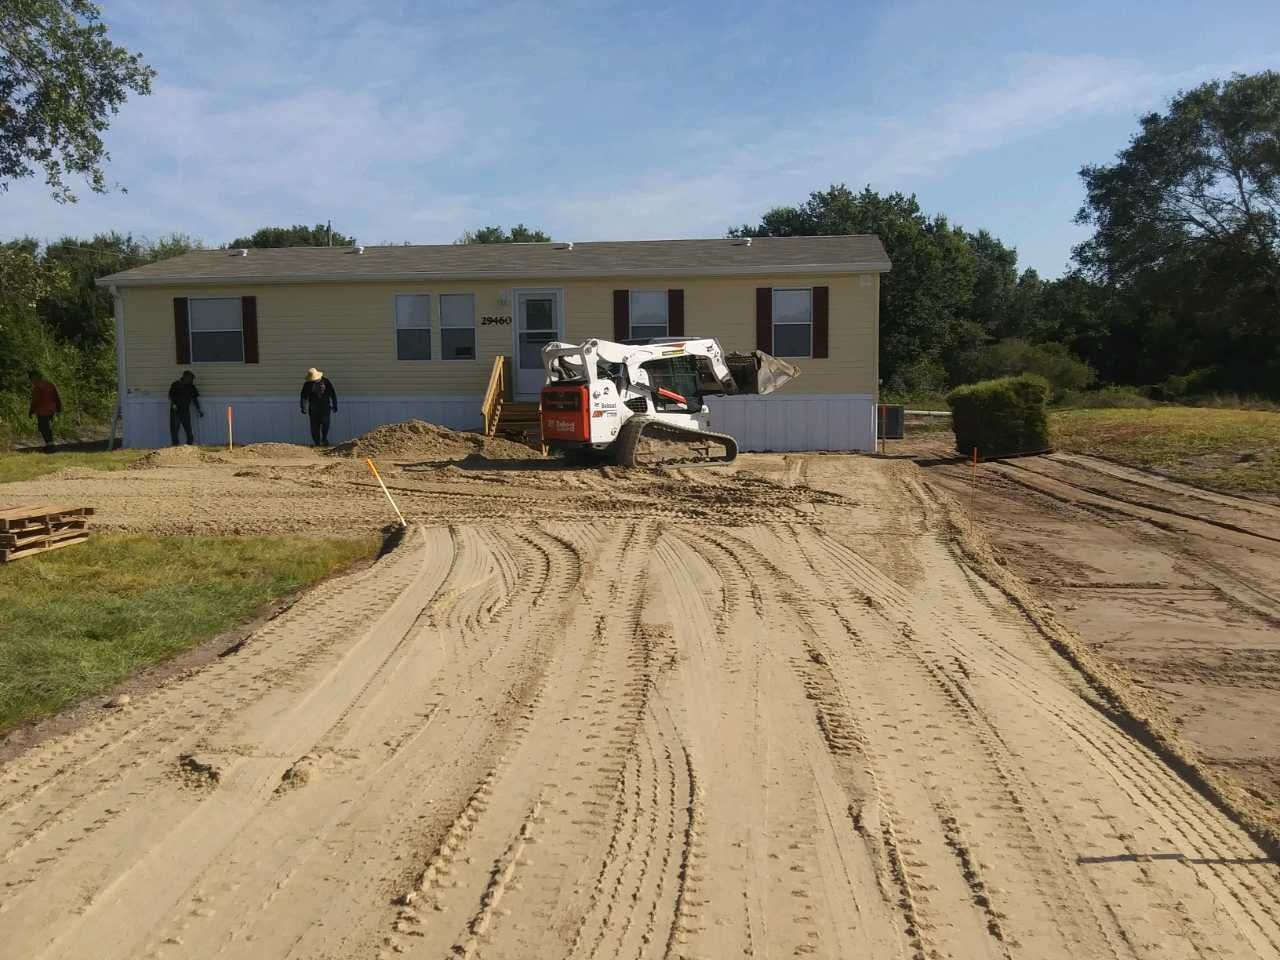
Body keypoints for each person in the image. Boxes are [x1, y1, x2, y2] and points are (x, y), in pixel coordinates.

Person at [300, 367, 338, 446]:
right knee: (314, 427)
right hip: (313, 408)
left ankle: (324, 438)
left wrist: (335, 405)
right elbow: (304, 396)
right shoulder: (307, 384)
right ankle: (317, 443)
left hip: (325, 406)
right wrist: (303, 407)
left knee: (325, 424)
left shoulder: (326, 381)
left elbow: (333, 394)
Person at [28, 370, 62, 452]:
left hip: (42, 410)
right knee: (46, 427)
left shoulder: (38, 387)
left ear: (34, 378)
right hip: (51, 409)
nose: (32, 382)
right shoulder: (49, 384)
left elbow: (35, 401)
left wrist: (31, 411)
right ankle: (50, 445)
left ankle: (50, 446)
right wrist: (58, 407)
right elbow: (56, 396)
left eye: (31, 379)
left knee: (43, 427)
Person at [168, 370, 204, 445]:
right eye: (190, 378)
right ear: (185, 377)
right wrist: (174, 404)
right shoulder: (175, 385)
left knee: (188, 428)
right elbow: (171, 396)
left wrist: (198, 409)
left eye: (192, 379)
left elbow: (194, 399)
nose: (191, 380)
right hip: (175, 410)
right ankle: (175, 445)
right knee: (174, 429)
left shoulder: (191, 387)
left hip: (185, 410)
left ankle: (190, 444)